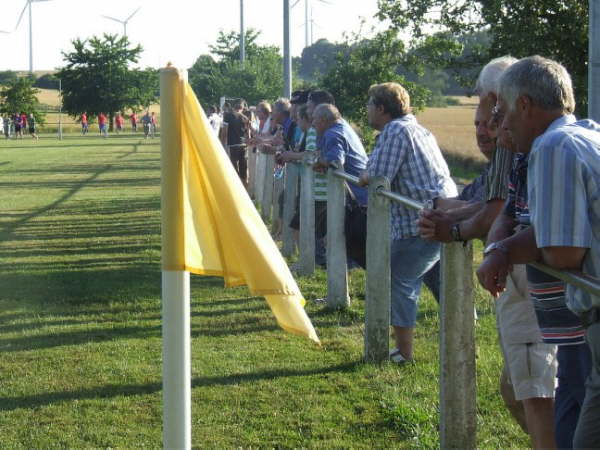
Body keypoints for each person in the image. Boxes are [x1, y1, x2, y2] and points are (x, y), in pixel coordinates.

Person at [477, 55, 600, 449]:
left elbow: (562, 251)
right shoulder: (587, 134)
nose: (501, 124)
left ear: (525, 105)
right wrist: (505, 248)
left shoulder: (552, 146)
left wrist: (503, 251)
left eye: (504, 111)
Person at [358, 82, 456, 364]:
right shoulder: (416, 128)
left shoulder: (395, 131)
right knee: (440, 279)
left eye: (369, 105)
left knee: (400, 279)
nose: (366, 111)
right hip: (441, 214)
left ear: (380, 108)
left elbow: (377, 175)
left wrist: (365, 176)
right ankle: (463, 329)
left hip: (418, 222)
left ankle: (404, 353)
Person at [223, 99, 249, 186]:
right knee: (244, 169)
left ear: (233, 106)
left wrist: (222, 145)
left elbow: (224, 132)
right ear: (243, 107)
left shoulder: (228, 116)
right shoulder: (245, 117)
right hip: (243, 145)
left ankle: (236, 189)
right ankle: (245, 190)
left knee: (234, 169)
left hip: (233, 145)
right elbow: (247, 134)